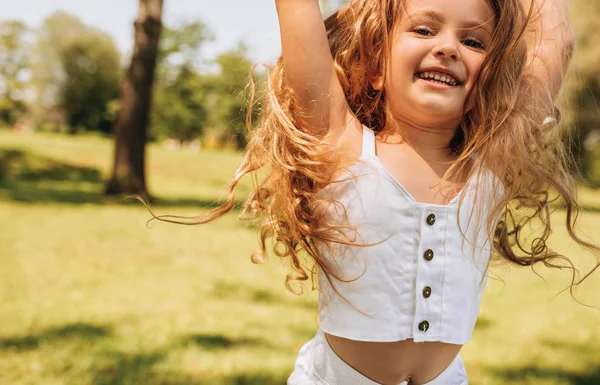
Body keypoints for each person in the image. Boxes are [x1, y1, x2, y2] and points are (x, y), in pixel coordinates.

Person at [150, 0, 599, 384]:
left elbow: (552, 43)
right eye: (423, 29)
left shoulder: (491, 164)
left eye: (474, 41)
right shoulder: (340, 143)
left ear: (491, 78)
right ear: (377, 62)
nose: (447, 47)